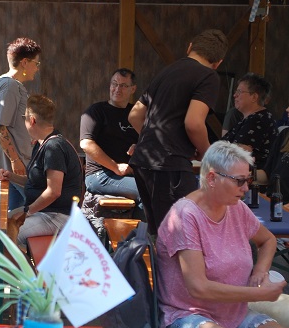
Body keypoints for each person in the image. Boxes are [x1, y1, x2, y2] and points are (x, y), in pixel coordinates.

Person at [157, 141, 289, 328]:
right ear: (212, 178)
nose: (246, 188)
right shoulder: (186, 215)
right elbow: (198, 287)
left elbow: (268, 240)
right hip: (187, 314)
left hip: (233, 312)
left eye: (248, 180)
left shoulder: (236, 207)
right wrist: (256, 294)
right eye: (239, 181)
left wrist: (260, 271)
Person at [128, 29, 228, 235]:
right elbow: (194, 123)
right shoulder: (208, 76)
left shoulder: (167, 71)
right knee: (185, 232)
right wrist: (208, 152)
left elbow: (135, 115)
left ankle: (157, 267)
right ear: (218, 62)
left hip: (143, 161)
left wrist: (153, 140)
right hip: (169, 164)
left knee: (159, 233)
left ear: (190, 47)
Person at [0, 94, 83, 246]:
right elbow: (35, 181)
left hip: (57, 216)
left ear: (32, 120)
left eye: (24, 117)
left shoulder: (54, 147)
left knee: (4, 236)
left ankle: (22, 269)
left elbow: (53, 191)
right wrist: (11, 177)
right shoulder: (42, 143)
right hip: (44, 212)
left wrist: (27, 212)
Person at [0, 37, 42, 211]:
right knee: (10, 220)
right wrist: (15, 159)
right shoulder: (10, 86)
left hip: (13, 164)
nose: (37, 68)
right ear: (25, 62)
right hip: (9, 167)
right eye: (36, 63)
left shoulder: (9, 84)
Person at [80, 68, 140, 205]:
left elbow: (152, 141)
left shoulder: (136, 113)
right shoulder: (96, 111)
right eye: (114, 84)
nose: (117, 89)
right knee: (147, 190)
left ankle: (136, 226)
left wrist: (140, 146)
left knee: (161, 189)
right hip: (100, 175)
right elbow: (86, 144)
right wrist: (116, 167)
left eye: (123, 85)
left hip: (130, 175)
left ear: (133, 89)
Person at [221, 73, 277, 169]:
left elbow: (236, 155)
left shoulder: (258, 120)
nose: (235, 95)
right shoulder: (249, 118)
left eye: (239, 91)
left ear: (254, 97)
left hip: (245, 178)